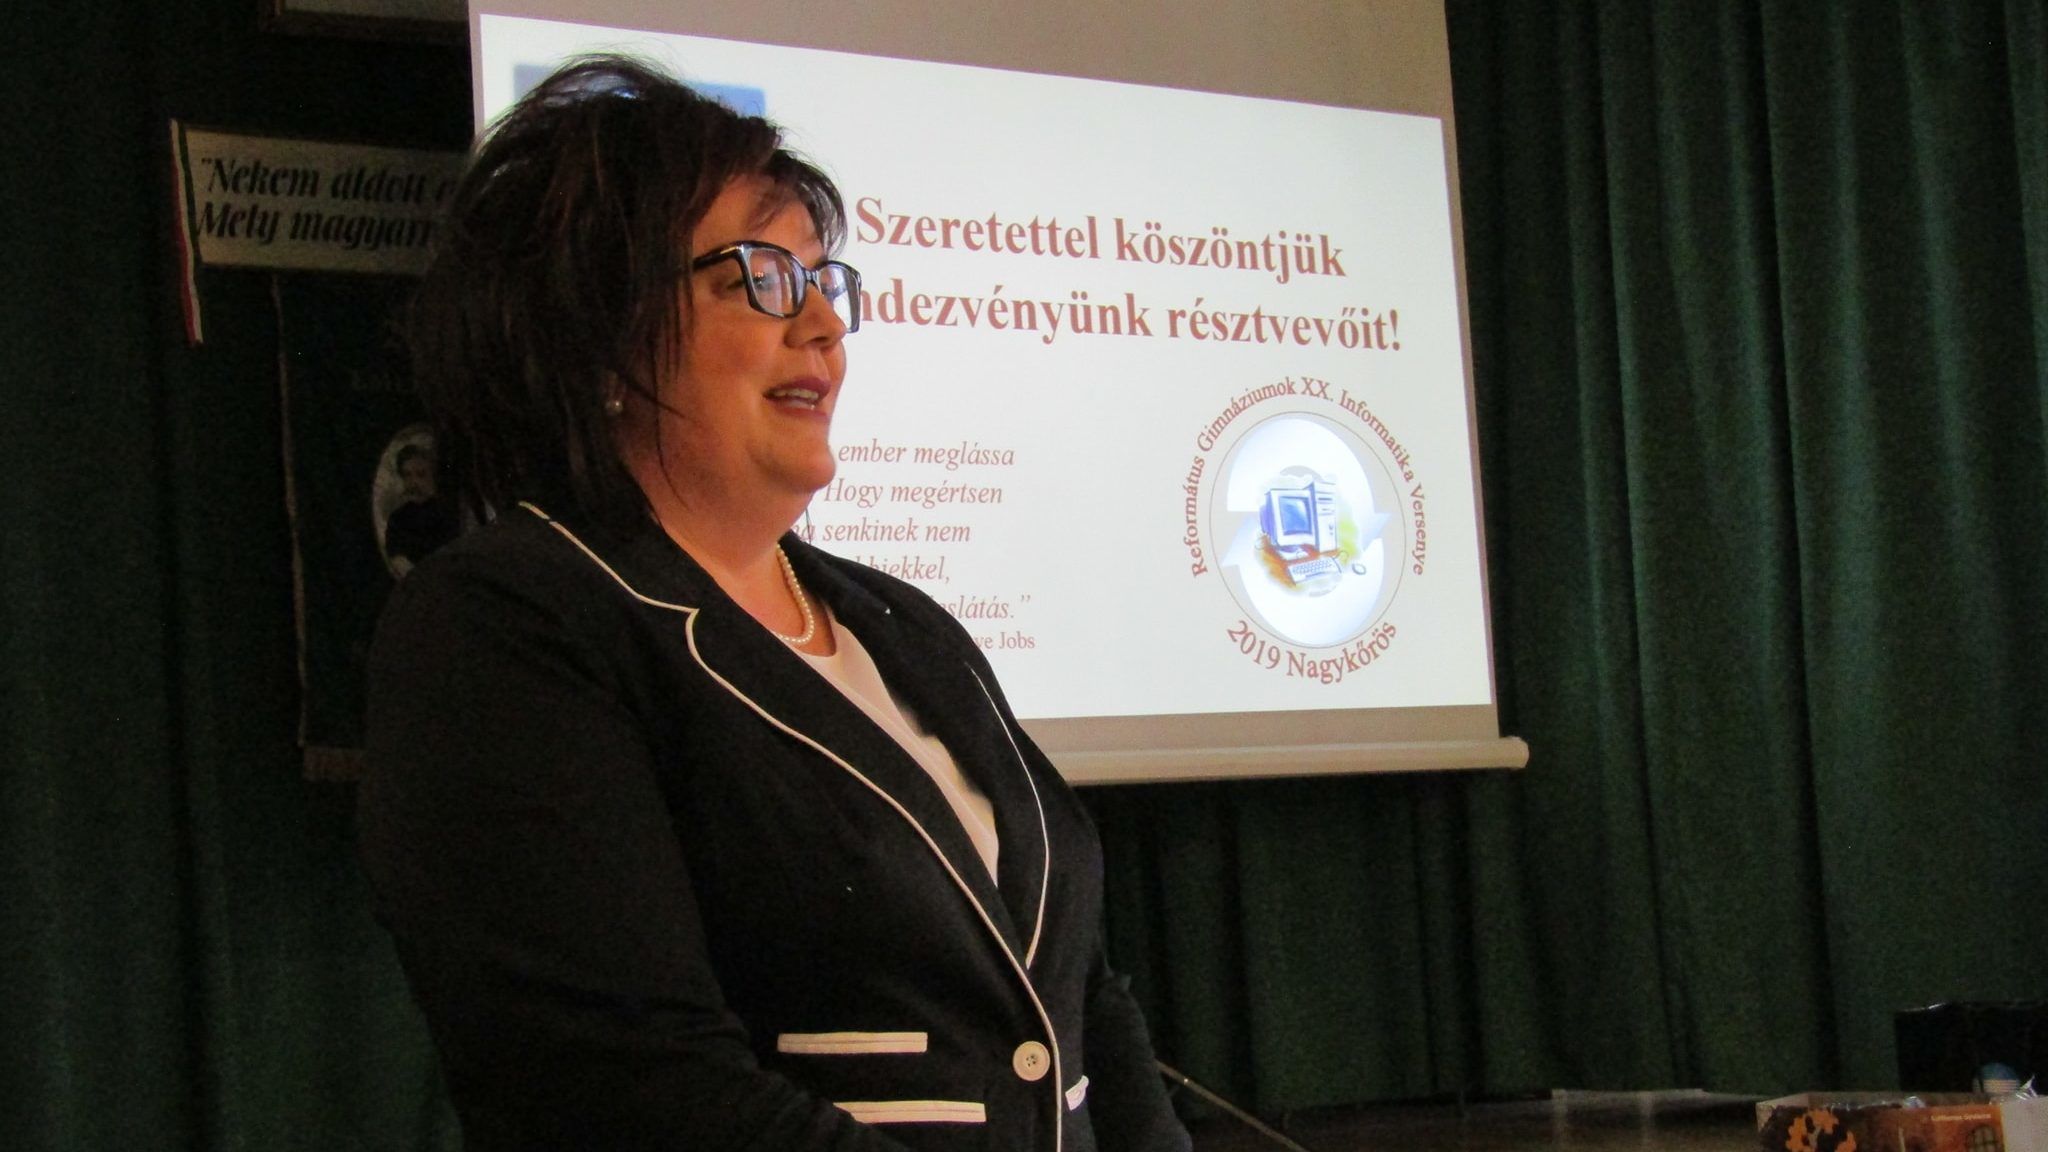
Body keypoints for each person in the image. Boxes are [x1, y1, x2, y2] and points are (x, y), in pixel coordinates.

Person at [357, 56, 1191, 1152]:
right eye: (758, 275)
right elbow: (630, 1086)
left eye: (822, 279)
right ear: (597, 328)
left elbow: (1077, 994)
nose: (823, 327)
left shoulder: (905, 626)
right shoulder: (508, 624)